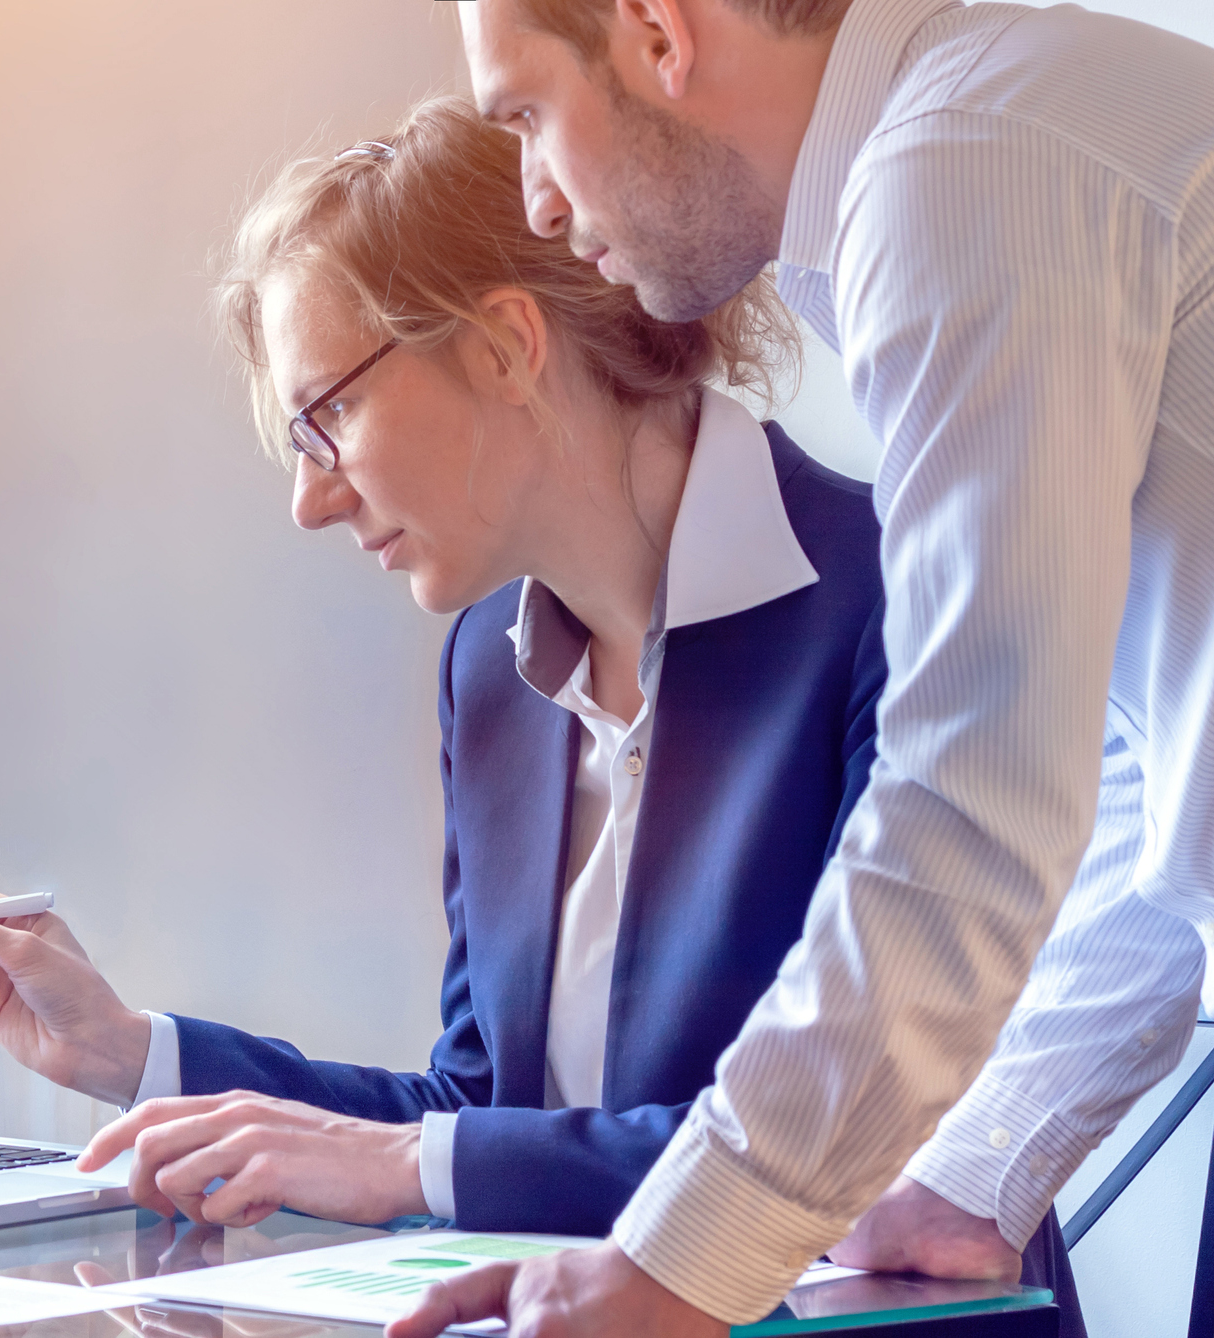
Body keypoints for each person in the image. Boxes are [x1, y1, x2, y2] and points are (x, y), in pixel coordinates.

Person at [0, 96, 1074, 1326]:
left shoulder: (901, 601)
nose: (308, 499)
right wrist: (132, 1053)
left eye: (326, 417)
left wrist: (413, 1164)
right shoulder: (488, 670)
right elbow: (479, 1113)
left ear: (504, 346)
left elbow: (860, 1152)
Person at [391, 1, 1214, 1334]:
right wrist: (968, 1171)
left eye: (532, 115)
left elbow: (974, 794)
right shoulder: (979, 141)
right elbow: (1152, 782)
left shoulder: (964, 161)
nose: (536, 201)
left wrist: (679, 1262)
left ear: (657, 31)